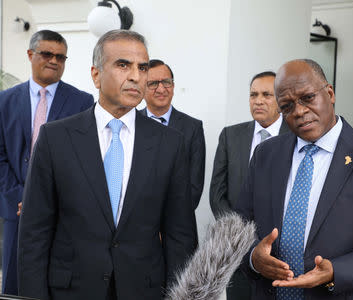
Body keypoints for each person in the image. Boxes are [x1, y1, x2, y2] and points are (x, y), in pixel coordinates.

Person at [17, 30, 196, 300]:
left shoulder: (170, 144)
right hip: (70, 292)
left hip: (144, 292)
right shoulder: (55, 139)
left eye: (142, 67)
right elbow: (34, 235)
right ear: (96, 75)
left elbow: (180, 238)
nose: (136, 76)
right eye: (123, 65)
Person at [235, 59, 353, 300]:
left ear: (329, 93)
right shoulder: (265, 154)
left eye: (308, 98)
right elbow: (237, 228)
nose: (299, 111)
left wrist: (337, 271)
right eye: (287, 106)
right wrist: (252, 258)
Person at [0, 29, 93, 295]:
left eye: (61, 57)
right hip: (16, 210)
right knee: (15, 287)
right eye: (47, 54)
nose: (54, 61)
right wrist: (19, 197)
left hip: (61, 214)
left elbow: (82, 157)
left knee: (57, 284)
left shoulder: (81, 102)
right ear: (31, 55)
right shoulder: (5, 101)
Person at [210, 71, 289, 299]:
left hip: (281, 250)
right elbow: (217, 194)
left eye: (267, 94)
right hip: (239, 251)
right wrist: (241, 236)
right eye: (253, 94)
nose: (258, 100)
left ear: (281, 101)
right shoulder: (231, 135)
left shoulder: (295, 135)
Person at [142, 59, 205, 245]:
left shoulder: (192, 127)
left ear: (173, 85)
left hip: (179, 231)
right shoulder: (131, 123)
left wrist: (164, 227)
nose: (161, 89)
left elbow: (194, 187)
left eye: (166, 82)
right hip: (137, 231)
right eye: (153, 83)